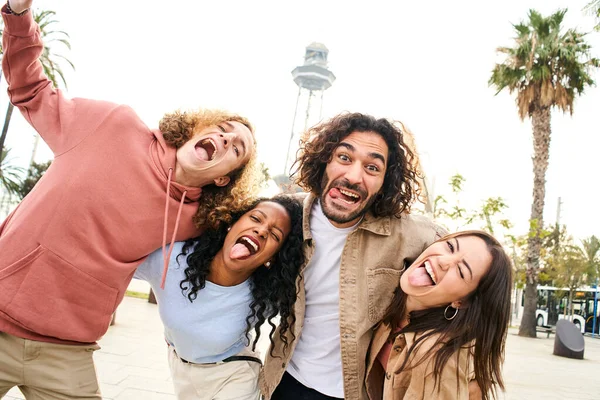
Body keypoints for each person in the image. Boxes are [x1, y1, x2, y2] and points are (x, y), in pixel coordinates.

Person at [0, 1, 260, 399]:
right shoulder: (113, 125)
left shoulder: (198, 221)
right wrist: (18, 16)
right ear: (197, 129)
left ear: (224, 177)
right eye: (221, 128)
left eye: (237, 147)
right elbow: (32, 91)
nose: (225, 138)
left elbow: (259, 236)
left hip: (66, 349)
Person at [260, 112, 446, 400]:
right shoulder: (286, 216)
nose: (353, 176)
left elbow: (469, 263)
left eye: (372, 167)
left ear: (385, 182)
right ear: (325, 161)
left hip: (353, 392)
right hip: (284, 381)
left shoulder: (410, 234)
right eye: (344, 158)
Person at [134, 196, 305, 400]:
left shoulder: (266, 294)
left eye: (275, 235)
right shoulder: (174, 259)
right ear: (232, 223)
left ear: (272, 258)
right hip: (181, 370)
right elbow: (108, 261)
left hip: (234, 375)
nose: (261, 231)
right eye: (256, 218)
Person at [365, 230, 513, 400]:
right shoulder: (392, 304)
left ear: (462, 301)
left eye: (461, 271)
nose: (443, 261)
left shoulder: (440, 356)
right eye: (450, 246)